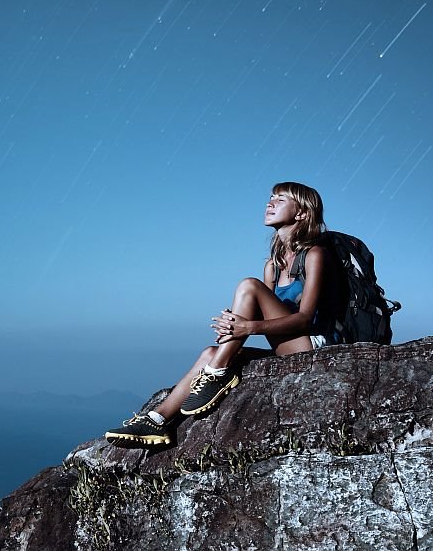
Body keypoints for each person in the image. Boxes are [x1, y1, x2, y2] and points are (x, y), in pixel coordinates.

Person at [104, 181, 343, 447]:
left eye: (281, 199)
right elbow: (267, 319)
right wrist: (235, 325)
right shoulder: (272, 267)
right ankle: (157, 421)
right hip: (286, 345)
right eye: (271, 197)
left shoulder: (314, 255)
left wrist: (247, 327)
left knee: (248, 287)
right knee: (210, 353)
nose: (270, 203)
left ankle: (216, 373)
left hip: (313, 345)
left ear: (301, 213)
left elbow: (304, 318)